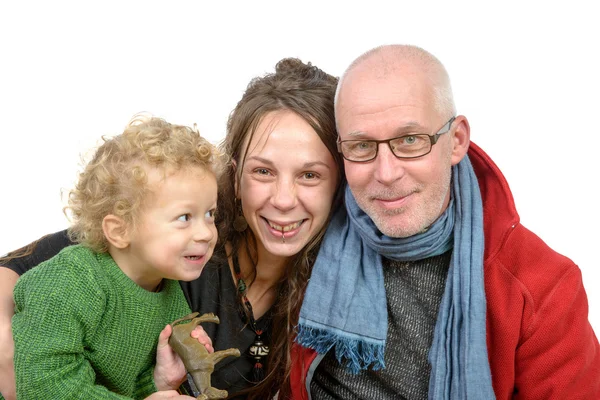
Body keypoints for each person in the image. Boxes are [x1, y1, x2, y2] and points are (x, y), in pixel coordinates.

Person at [0, 58, 343, 400]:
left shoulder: (345, 283)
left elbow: (134, 381)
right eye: (263, 172)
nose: (284, 200)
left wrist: (160, 384)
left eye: (310, 175)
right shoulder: (162, 249)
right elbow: (26, 269)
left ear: (339, 182)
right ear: (235, 176)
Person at [291, 44, 600, 399]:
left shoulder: (543, 289)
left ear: (456, 141)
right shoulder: (309, 232)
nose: (386, 173)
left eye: (410, 140)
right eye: (362, 146)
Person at [7, 115, 219, 399]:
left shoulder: (170, 294)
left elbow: (119, 388)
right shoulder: (70, 281)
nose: (206, 233)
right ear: (120, 231)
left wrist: (159, 380)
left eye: (210, 214)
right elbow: (45, 388)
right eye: (184, 217)